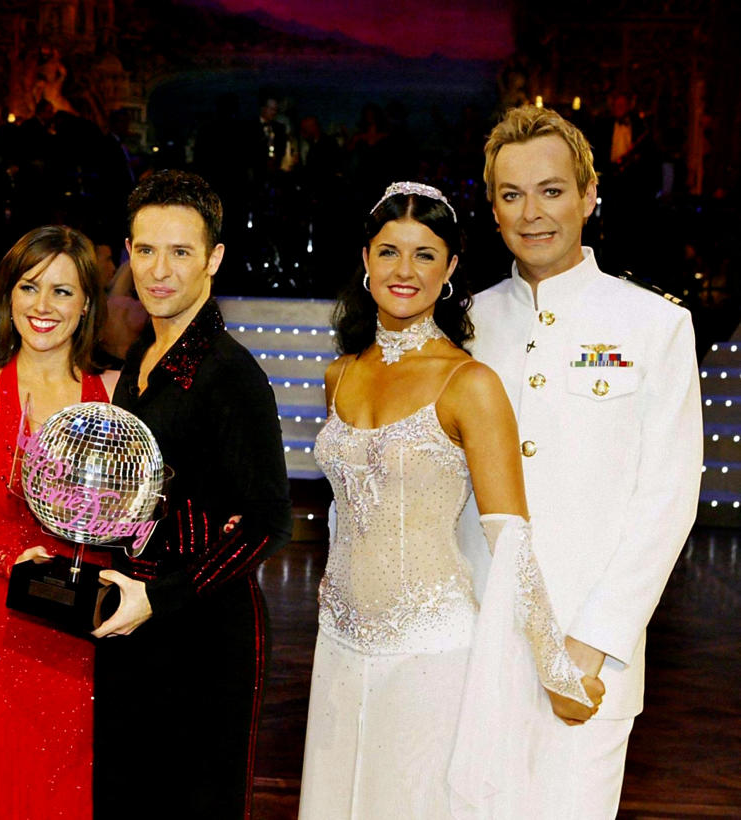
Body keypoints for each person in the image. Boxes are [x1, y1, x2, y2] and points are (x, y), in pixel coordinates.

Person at [299, 181, 603, 817]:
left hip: (430, 653)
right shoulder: (341, 373)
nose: (404, 271)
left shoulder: (470, 383)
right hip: (338, 644)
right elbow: (342, 513)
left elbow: (511, 536)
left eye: (425, 254)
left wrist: (556, 670)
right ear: (365, 259)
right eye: (389, 252)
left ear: (451, 269)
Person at [464, 105, 701, 817]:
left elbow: (666, 499)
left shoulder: (655, 325)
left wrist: (593, 644)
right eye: (512, 195)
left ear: (589, 196)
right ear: (493, 208)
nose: (532, 213)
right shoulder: (466, 324)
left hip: (587, 655)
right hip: (470, 646)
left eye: (552, 190)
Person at [92, 169, 293, 819]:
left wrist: (160, 595)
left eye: (181, 252)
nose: (159, 270)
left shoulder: (231, 374)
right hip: (132, 614)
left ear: (214, 259)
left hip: (206, 630)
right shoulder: (140, 364)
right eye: (145, 250)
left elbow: (268, 521)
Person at [0, 225, 118, 819]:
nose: (44, 306)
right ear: (8, 295)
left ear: (87, 302)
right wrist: (6, 561)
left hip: (80, 629)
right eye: (30, 287)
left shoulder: (115, 394)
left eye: (63, 291)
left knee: (66, 787)